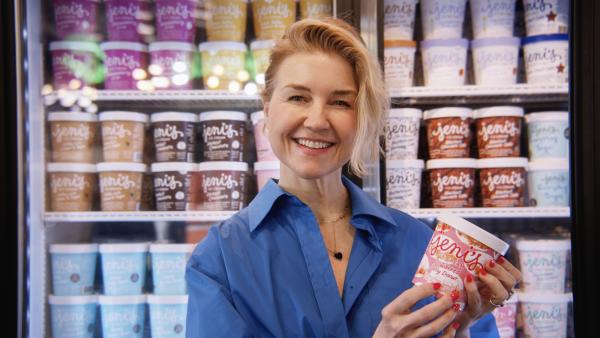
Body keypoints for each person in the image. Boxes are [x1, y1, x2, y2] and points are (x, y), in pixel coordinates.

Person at [186, 18, 521, 338]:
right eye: (298, 97)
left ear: (361, 117)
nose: (317, 120)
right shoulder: (221, 259)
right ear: (268, 107)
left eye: (341, 102)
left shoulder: (421, 244)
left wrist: (458, 328)